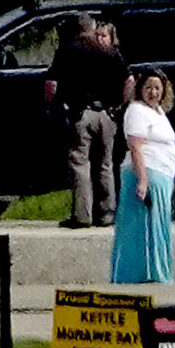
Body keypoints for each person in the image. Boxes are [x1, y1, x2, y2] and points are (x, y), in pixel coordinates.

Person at [49, 14, 132, 229]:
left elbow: (51, 86)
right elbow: (129, 81)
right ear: (92, 28)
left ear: (76, 30)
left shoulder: (67, 50)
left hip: (80, 113)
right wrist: (120, 107)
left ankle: (82, 215)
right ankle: (107, 213)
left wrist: (54, 105)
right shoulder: (109, 51)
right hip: (106, 114)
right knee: (105, 164)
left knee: (80, 164)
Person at [112, 70, 175, 284]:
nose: (153, 92)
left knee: (159, 227)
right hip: (146, 172)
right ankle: (140, 274)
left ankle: (158, 272)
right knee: (141, 228)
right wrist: (142, 180)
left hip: (163, 174)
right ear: (141, 89)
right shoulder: (137, 111)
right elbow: (136, 147)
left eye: (157, 88)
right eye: (148, 87)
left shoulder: (158, 112)